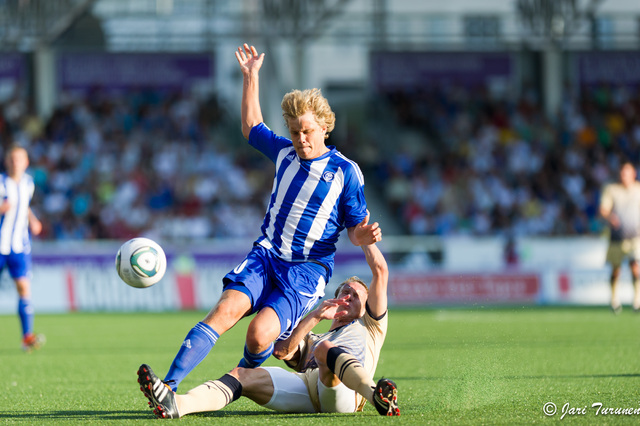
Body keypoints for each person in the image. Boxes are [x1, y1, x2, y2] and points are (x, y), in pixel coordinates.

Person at [148, 43, 381, 392]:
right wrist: (250, 76)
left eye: (307, 131)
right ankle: (166, 387)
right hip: (266, 255)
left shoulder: (345, 172)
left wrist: (363, 238)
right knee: (224, 312)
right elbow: (251, 125)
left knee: (259, 338)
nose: (300, 139)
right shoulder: (284, 153)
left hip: (306, 270)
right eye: (294, 132)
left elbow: (355, 229)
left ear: (324, 128)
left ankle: (234, 384)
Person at [137, 242, 399, 418]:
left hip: (347, 395)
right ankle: (177, 405)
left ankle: (376, 396)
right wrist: (315, 316)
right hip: (308, 392)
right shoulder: (315, 334)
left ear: (367, 308)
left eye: (356, 296)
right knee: (242, 375)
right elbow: (282, 351)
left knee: (326, 350)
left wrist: (366, 240)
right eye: (345, 292)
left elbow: (380, 270)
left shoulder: (371, 325)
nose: (348, 297)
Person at [0, 145, 44, 351]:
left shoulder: (28, 183)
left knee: (24, 288)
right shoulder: (1, 182)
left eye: (19, 159)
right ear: (6, 161)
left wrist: (33, 220)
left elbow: (23, 205)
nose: (15, 162)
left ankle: (27, 336)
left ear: (26, 162)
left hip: (19, 245)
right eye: (12, 159)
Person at [599, 160, 640, 314]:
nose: (624, 176)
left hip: (635, 236)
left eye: (627, 173)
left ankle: (637, 300)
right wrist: (611, 218)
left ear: (633, 174)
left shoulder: (638, 190)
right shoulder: (612, 190)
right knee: (616, 270)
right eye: (622, 173)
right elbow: (603, 209)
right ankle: (614, 300)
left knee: (635, 267)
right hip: (617, 237)